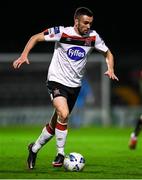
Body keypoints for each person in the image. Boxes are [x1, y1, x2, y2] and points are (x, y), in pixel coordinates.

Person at [12, 7, 119, 169]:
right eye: (85, 22)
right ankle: (61, 153)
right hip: (56, 81)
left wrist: (110, 68)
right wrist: (24, 54)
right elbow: (36, 37)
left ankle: (34, 149)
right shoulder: (62, 32)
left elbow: (108, 53)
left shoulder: (93, 37)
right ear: (76, 21)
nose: (88, 26)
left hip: (74, 86)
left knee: (55, 124)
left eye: (90, 23)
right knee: (64, 113)